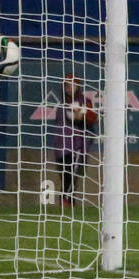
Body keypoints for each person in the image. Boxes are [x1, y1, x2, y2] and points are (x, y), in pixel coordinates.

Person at [52, 75, 98, 208]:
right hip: (61, 144)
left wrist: (82, 116)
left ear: (77, 86)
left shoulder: (84, 101)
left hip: (77, 143)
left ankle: (66, 199)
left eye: (72, 84)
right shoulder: (61, 103)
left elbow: (91, 118)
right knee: (64, 172)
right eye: (67, 85)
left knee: (73, 172)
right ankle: (68, 200)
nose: (69, 87)